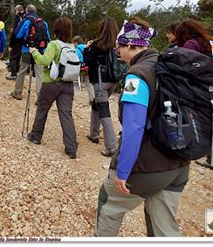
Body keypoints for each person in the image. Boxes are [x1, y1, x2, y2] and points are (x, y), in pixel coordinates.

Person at [95, 17, 191, 237]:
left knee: (108, 203)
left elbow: (134, 128)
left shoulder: (136, 76)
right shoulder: (167, 66)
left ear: (132, 45)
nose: (117, 50)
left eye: (120, 45)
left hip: (148, 167)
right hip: (179, 162)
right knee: (164, 228)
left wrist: (122, 172)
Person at [26, 17, 78, 159]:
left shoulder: (54, 44)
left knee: (43, 108)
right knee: (66, 114)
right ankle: (71, 147)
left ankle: (36, 136)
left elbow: (44, 61)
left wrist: (34, 52)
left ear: (56, 29)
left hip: (51, 83)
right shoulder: (71, 46)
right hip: (68, 84)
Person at [176, 19, 213, 173]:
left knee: (194, 118)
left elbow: (184, 66)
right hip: (211, 85)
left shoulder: (190, 44)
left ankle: (190, 149)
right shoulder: (207, 42)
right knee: (212, 120)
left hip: (197, 86)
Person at [84, 17, 119, 157]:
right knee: (96, 104)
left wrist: (86, 49)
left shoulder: (97, 44)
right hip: (113, 81)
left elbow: (88, 61)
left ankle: (111, 146)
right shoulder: (117, 45)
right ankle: (93, 133)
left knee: (104, 112)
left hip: (100, 82)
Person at [10, 4, 50, 102]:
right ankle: (40, 98)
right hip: (40, 51)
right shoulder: (43, 22)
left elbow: (18, 34)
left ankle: (17, 92)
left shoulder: (26, 21)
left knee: (22, 71)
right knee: (40, 73)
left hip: (26, 50)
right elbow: (48, 38)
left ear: (27, 11)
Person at [6, 5, 25, 80]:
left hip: (16, 40)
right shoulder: (25, 17)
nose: (15, 12)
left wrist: (11, 44)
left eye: (15, 10)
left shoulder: (17, 18)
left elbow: (14, 32)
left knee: (13, 57)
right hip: (23, 41)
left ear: (18, 10)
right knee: (18, 57)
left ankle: (13, 74)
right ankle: (16, 72)